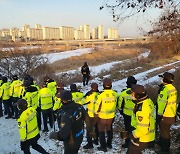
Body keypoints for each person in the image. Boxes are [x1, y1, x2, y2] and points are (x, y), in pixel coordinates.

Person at [49, 90, 91, 154]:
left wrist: (54, 135)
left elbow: (64, 135)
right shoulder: (79, 106)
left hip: (71, 141)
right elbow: (87, 120)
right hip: (79, 136)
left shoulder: (66, 115)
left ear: (63, 100)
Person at [127, 84, 155, 154]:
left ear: (138, 95)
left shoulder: (142, 109)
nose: (131, 95)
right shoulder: (147, 100)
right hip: (145, 136)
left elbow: (143, 130)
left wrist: (130, 135)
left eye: (132, 94)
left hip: (141, 138)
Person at [95, 78, 118, 152]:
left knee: (101, 131)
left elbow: (97, 107)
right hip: (111, 116)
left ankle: (103, 146)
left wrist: (96, 115)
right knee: (109, 130)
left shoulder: (101, 95)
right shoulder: (115, 94)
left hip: (102, 117)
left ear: (103, 85)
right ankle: (109, 144)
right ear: (111, 85)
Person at [157, 72, 177, 153]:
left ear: (165, 79)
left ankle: (165, 149)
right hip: (171, 113)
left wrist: (159, 114)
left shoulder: (165, 90)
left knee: (164, 132)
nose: (161, 79)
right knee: (164, 130)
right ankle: (161, 142)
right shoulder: (173, 88)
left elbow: (162, 104)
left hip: (165, 115)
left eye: (162, 78)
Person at [118, 76, 137, 148]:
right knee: (135, 128)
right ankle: (135, 142)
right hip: (136, 114)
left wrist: (121, 111)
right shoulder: (138, 91)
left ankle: (127, 143)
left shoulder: (123, 93)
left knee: (127, 128)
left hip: (126, 114)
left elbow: (120, 104)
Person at [83, 82, 100, 149]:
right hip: (98, 115)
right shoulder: (100, 94)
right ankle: (96, 140)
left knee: (89, 129)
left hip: (90, 115)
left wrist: (86, 95)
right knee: (96, 128)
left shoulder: (89, 96)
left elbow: (83, 102)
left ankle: (90, 144)